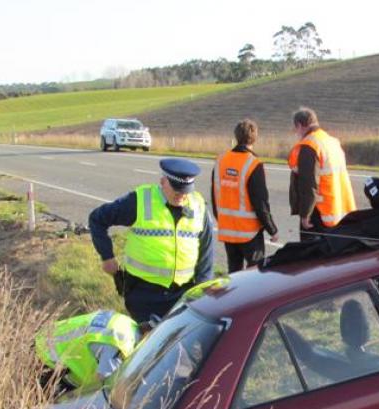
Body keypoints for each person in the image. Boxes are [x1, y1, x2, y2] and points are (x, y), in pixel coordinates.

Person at [89, 158, 215, 323]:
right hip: (145, 295)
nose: (181, 196)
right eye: (176, 190)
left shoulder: (198, 205)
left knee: (181, 345)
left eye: (185, 191)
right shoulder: (140, 200)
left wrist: (202, 288)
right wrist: (107, 257)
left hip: (183, 294)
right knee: (150, 345)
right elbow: (97, 219)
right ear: (163, 182)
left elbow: (206, 248)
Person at [211, 119, 279, 272]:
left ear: (236, 136)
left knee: (234, 275)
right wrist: (272, 229)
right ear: (255, 138)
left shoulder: (220, 161)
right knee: (254, 275)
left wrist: (222, 219)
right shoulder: (253, 164)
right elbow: (260, 202)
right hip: (250, 233)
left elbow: (214, 195)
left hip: (228, 229)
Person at [288, 107, 356, 240]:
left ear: (299, 125)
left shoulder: (309, 145)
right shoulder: (332, 141)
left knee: (312, 256)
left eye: (295, 129)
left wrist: (305, 214)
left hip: (319, 212)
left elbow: (309, 183)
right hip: (337, 208)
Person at [35, 309, 140, 391]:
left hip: (47, 334)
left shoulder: (128, 324)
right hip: (46, 357)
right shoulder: (119, 346)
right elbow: (104, 387)